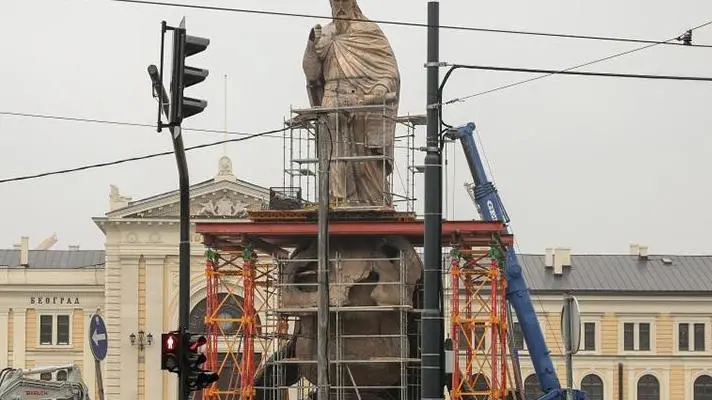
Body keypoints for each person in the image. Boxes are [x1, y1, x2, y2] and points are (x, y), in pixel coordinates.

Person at [302, 0, 401, 207]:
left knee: (365, 160)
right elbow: (312, 75)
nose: (338, 8)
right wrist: (311, 46)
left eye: (342, 2)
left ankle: (372, 201)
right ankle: (337, 200)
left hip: (361, 105)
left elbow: (388, 71)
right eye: (334, 3)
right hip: (332, 102)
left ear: (352, 4)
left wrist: (380, 88)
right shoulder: (325, 34)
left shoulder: (369, 31)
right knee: (334, 156)